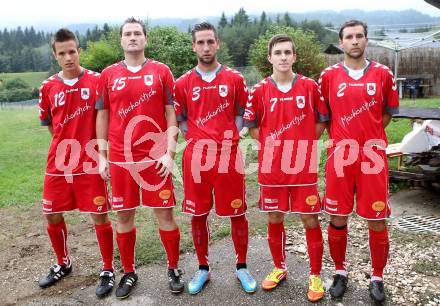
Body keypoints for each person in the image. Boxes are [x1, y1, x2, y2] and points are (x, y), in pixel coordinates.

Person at [96, 17, 183, 299]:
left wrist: (170, 153)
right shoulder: (108, 75)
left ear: (145, 39)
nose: (132, 37)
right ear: (121, 40)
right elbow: (103, 115)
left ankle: (173, 268)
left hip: (155, 157)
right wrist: (102, 156)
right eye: (127, 34)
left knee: (165, 213)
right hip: (121, 159)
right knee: (123, 215)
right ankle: (129, 271)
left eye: (137, 33)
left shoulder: (161, 71)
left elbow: (171, 112)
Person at [317, 20, 399, 303]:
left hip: (372, 156)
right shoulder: (327, 76)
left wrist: (369, 136)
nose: (354, 41)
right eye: (349, 37)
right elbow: (324, 117)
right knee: (337, 216)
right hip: (341, 155)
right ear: (341, 43)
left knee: (377, 219)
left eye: (359, 36)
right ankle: (340, 271)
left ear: (366, 40)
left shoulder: (383, 74)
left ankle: (377, 276)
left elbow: (386, 114)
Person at [173, 22, 257, 295]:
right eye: (200, 42)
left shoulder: (234, 78)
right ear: (193, 45)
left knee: (237, 212)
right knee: (198, 214)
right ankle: (202, 269)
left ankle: (242, 267)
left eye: (210, 42)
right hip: (196, 157)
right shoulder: (183, 82)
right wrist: (196, 137)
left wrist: (230, 135)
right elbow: (181, 117)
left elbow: (242, 111)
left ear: (217, 43)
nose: (206, 47)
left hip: (228, 156)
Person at [243, 34, 326, 302]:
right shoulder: (258, 90)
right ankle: (279, 267)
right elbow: (253, 126)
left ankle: (315, 275)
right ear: (270, 58)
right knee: (275, 217)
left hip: (302, 165)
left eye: (287, 52)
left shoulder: (310, 87)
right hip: (272, 167)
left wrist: (301, 145)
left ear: (294, 57)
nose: (283, 57)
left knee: (309, 218)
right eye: (278, 52)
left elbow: (321, 121)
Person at [38, 28, 115, 298]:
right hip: (59, 162)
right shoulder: (47, 87)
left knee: (99, 214)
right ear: (55, 56)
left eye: (72, 51)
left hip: (91, 160)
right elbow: (50, 125)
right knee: (51, 212)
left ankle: (107, 268)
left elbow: (106, 119)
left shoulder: (97, 81)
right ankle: (63, 262)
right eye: (62, 53)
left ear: (79, 51)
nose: (68, 57)